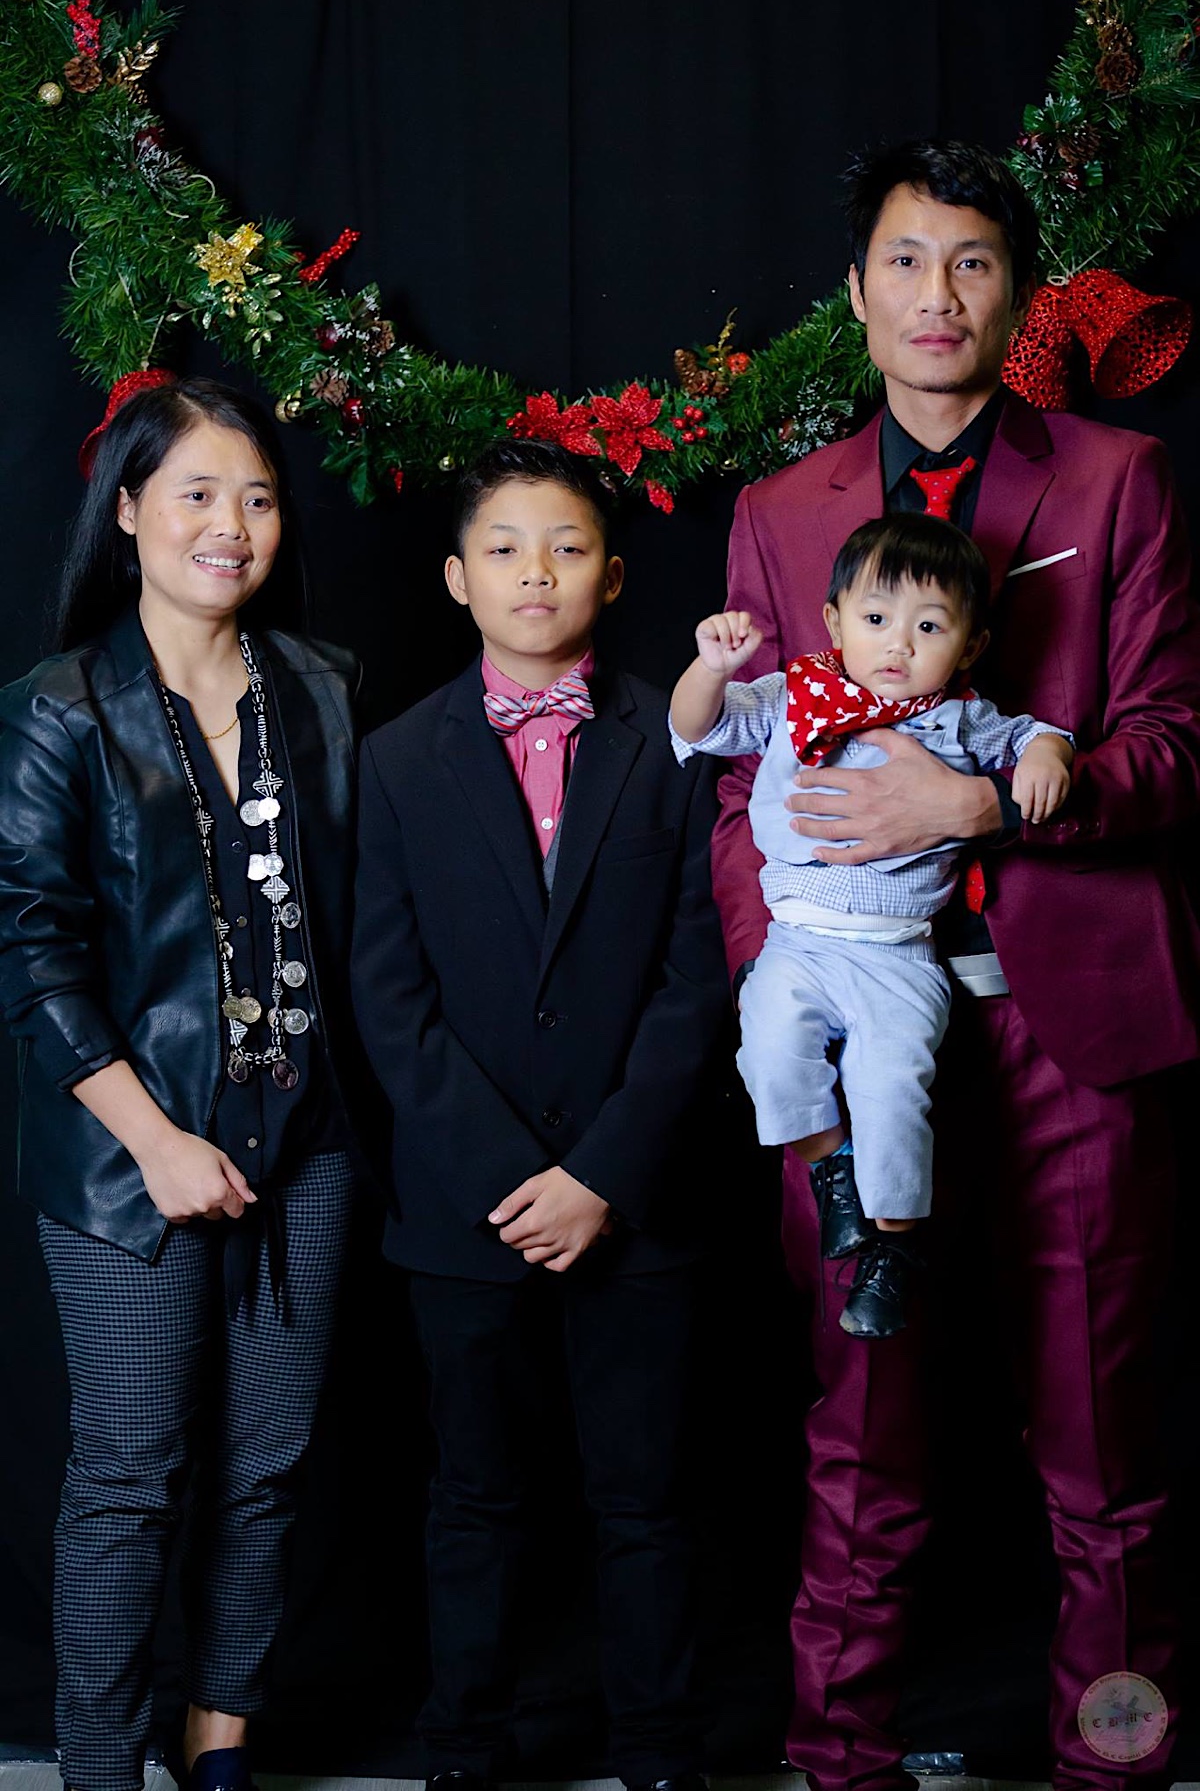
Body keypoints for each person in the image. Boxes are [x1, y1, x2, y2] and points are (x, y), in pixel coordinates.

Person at [711, 140, 1200, 1791]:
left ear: (1018, 295)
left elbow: (1176, 746)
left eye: (974, 263)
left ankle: (1117, 1763)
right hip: (850, 1027)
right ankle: (838, 1758)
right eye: (908, 263)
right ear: (857, 295)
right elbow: (736, 799)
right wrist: (780, 985)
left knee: (1102, 1448)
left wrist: (982, 800)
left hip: (1069, 1026)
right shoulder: (779, 514)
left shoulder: (1118, 482)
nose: (939, 294)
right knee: (862, 1426)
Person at [0, 378, 362, 1791]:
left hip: (306, 1139)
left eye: (258, 498)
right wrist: (154, 1141)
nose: (231, 525)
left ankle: (221, 1752)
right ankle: (104, 1770)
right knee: (130, 1474)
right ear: (130, 510)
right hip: (124, 1162)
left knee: (268, 1465)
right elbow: (30, 957)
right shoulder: (58, 709)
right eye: (198, 493)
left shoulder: (321, 686)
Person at [352, 438, 728, 1791]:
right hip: (466, 1212)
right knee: (475, 1499)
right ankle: (465, 1745)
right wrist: (514, 1180)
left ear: (612, 575)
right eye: (504, 548)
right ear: (457, 578)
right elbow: (388, 998)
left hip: (640, 1198)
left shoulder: (681, 742)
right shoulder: (395, 761)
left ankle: (660, 1747)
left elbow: (701, 976)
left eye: (567, 547)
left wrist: (603, 1175)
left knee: (646, 1500)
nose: (536, 573)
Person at [670, 512, 1072, 1338]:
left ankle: (893, 1246)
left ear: (970, 645)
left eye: (929, 627)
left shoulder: (959, 717)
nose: (898, 644)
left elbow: (1041, 733)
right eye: (877, 618)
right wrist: (710, 670)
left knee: (892, 1096)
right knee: (768, 1056)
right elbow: (697, 727)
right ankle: (832, 1173)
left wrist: (1044, 756)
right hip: (797, 944)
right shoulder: (792, 696)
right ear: (834, 621)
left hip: (898, 956)